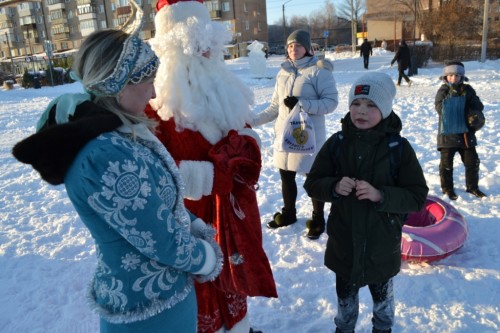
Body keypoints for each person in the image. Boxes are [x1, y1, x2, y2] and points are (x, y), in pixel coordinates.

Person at [11, 3, 224, 332]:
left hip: (157, 296)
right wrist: (206, 257)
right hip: (149, 308)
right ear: (119, 84)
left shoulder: (118, 134)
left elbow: (156, 202)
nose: (153, 92)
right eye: (147, 82)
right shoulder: (106, 154)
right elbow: (159, 240)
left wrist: (193, 225)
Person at [145, 1, 277, 332]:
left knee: (234, 277)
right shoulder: (154, 107)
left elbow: (246, 129)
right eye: (196, 45)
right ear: (175, 50)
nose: (206, 53)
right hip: (190, 219)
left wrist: (246, 151)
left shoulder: (224, 87)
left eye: (209, 45)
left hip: (231, 214)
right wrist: (211, 176)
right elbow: (154, 171)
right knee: (201, 287)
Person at [304, 72, 428, 333]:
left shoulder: (399, 148)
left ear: (384, 109)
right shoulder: (337, 144)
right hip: (344, 244)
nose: (361, 111)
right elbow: (312, 182)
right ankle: (344, 328)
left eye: (371, 105)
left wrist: (381, 195)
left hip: (381, 246)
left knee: (383, 302)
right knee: (345, 302)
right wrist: (334, 187)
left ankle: (382, 329)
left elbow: (417, 196)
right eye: (356, 103)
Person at [252, 29, 339, 240]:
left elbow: (331, 103)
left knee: (313, 179)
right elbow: (274, 107)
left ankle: (318, 219)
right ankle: (289, 213)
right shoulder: (283, 73)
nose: (293, 49)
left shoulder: (319, 71)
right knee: (286, 176)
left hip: (309, 137)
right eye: (290, 46)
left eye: (298, 46)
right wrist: (251, 120)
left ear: (308, 48)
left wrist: (303, 105)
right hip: (285, 135)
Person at [435, 61, 487, 200]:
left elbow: (478, 106)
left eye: (457, 75)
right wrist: (452, 96)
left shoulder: (468, 89)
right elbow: (440, 109)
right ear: (446, 76)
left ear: (461, 77)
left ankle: (472, 187)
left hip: (466, 134)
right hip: (448, 135)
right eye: (451, 75)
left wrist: (474, 113)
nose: (454, 78)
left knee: (472, 162)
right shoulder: (443, 91)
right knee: (446, 165)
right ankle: (447, 189)